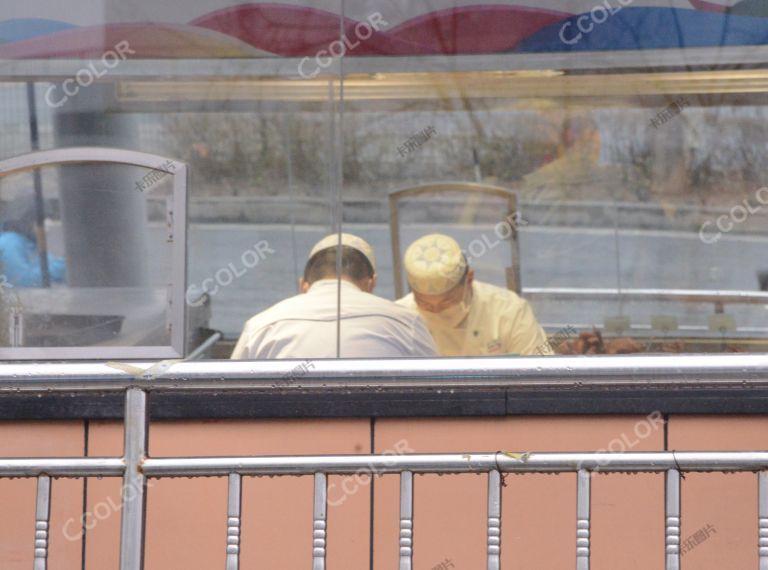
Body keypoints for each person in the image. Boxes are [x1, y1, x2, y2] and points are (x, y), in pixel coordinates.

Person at [231, 233, 438, 359]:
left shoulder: (260, 326)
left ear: (303, 285)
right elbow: (437, 392)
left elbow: (231, 401)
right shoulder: (406, 323)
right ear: (371, 283)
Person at [396, 233, 552, 356]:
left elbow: (538, 371)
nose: (437, 310)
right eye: (425, 304)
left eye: (447, 302)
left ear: (469, 279)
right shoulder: (399, 318)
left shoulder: (510, 311)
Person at [0, 195, 65, 287]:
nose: (49, 224)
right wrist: (62, 266)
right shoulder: (9, 243)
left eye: (50, 218)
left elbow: (50, 267)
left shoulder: (30, 244)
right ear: (28, 219)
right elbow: (21, 281)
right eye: (43, 218)